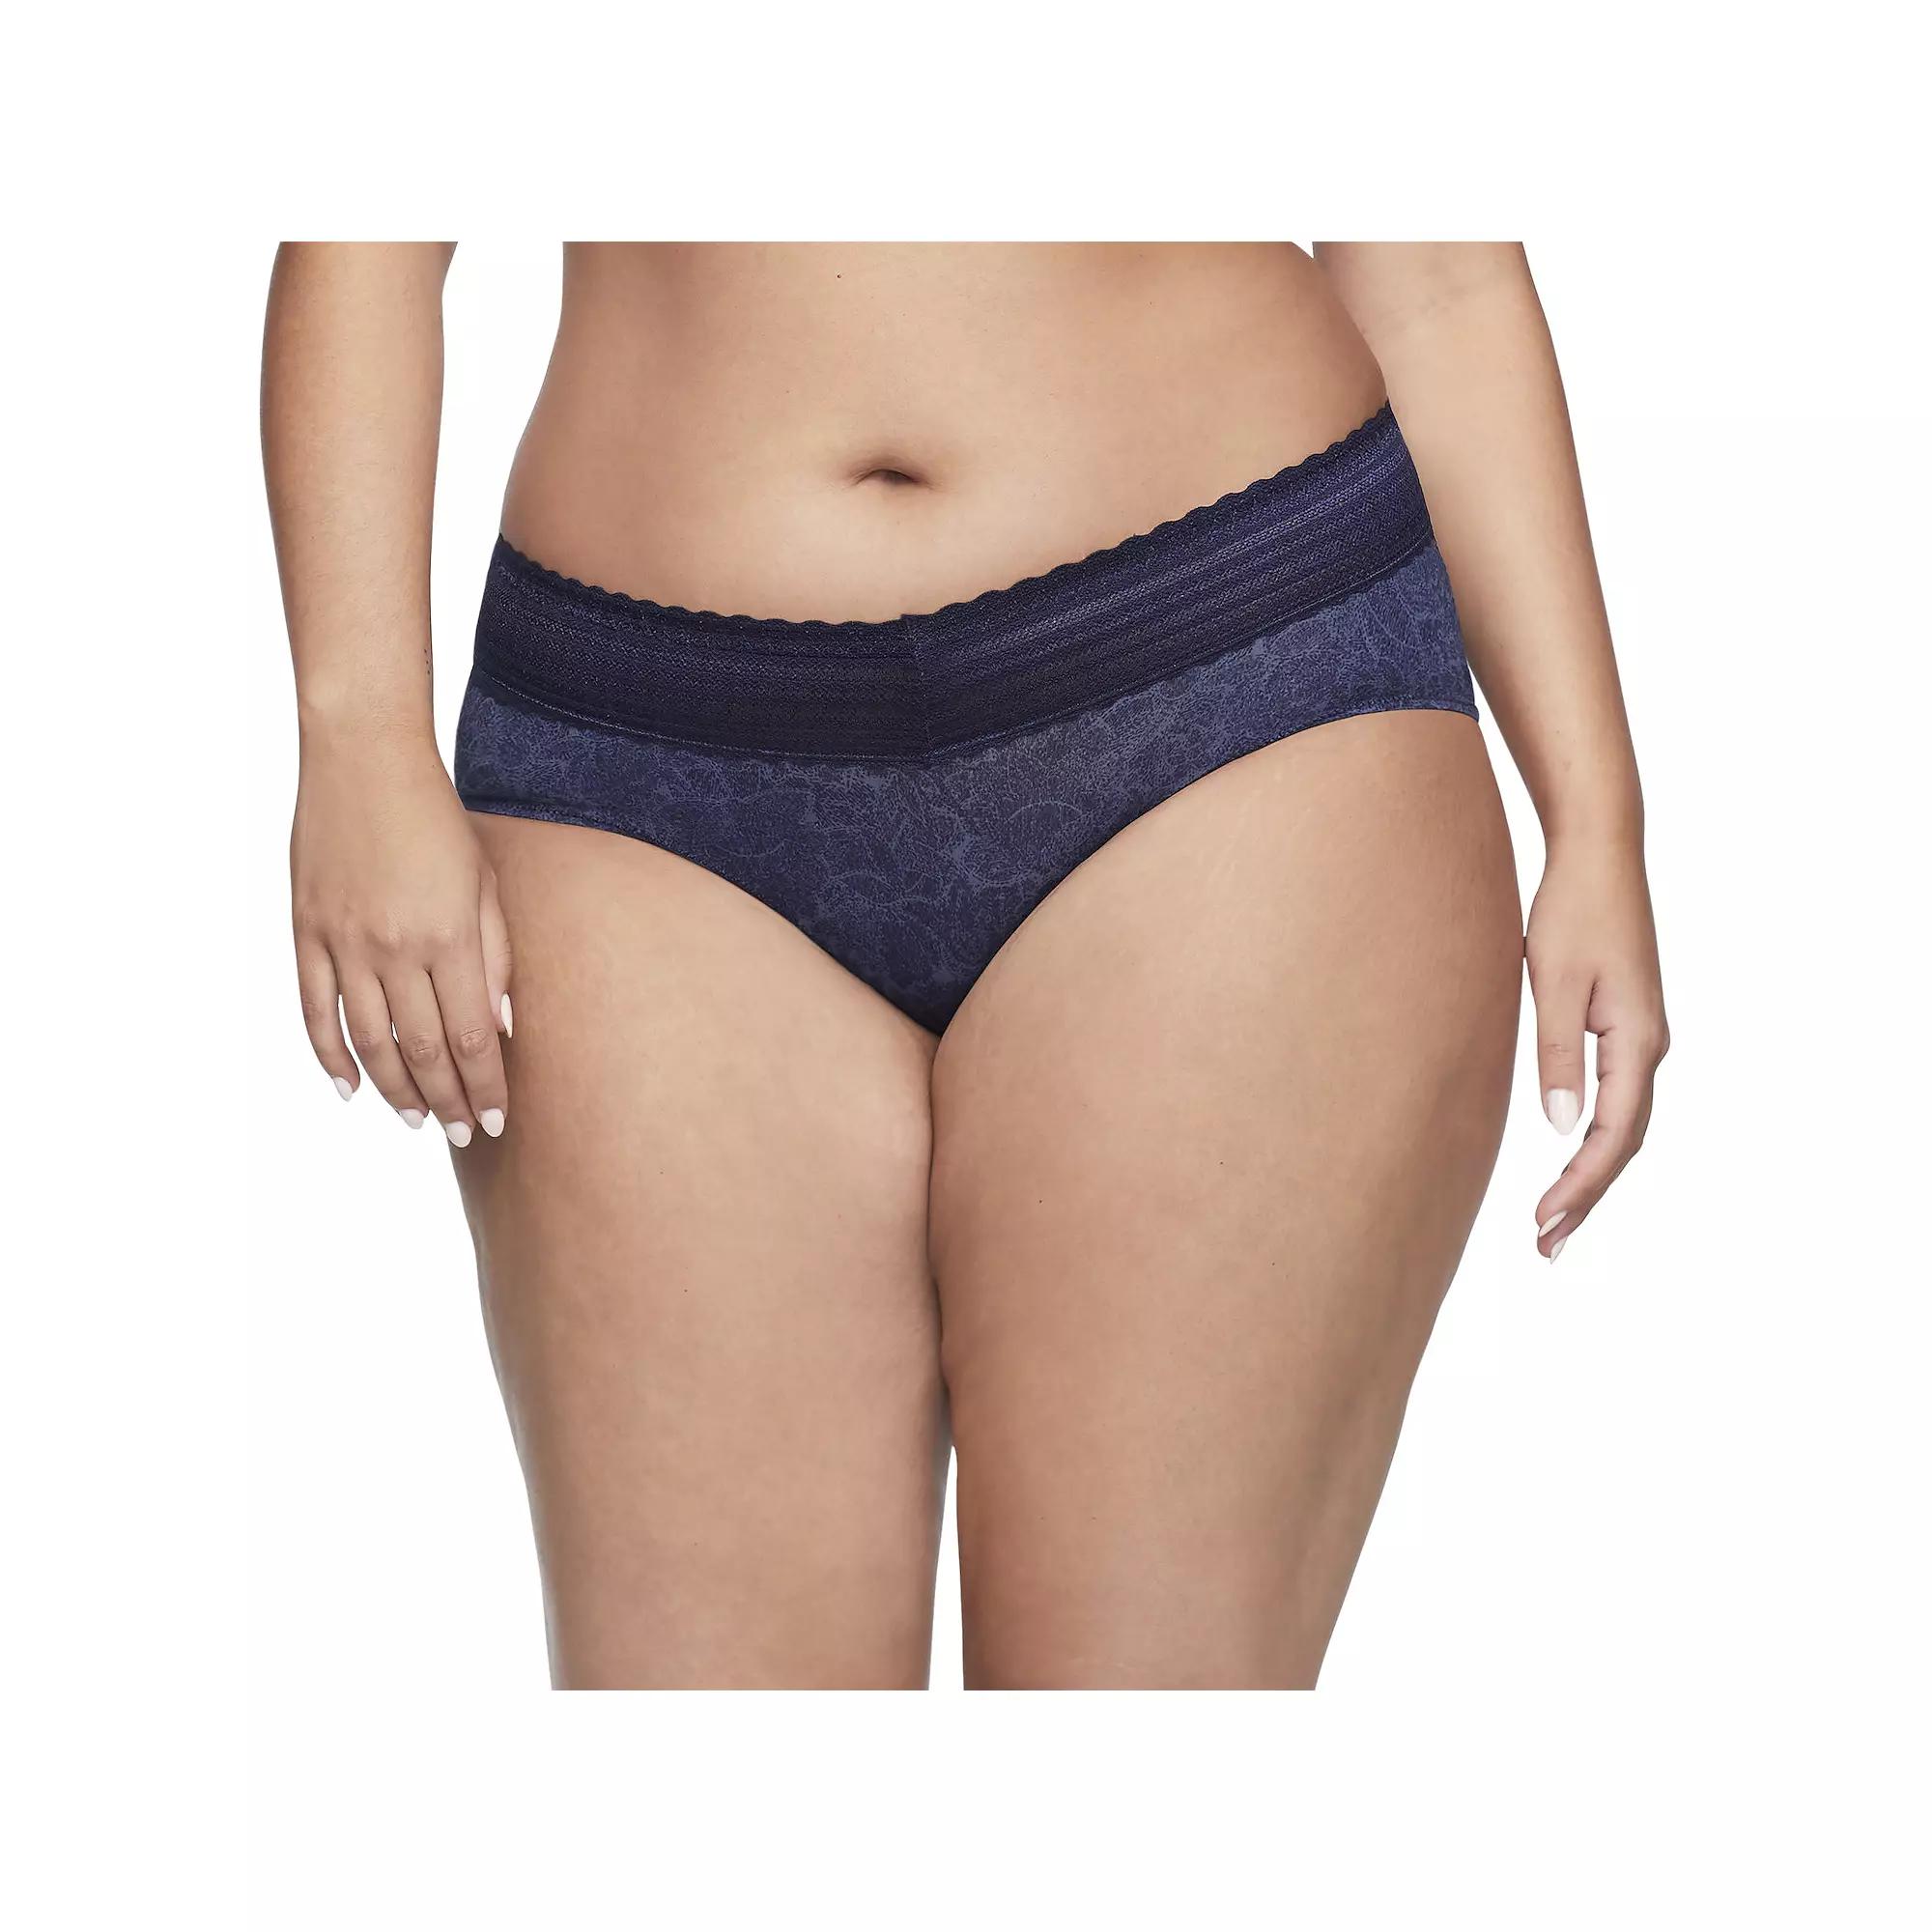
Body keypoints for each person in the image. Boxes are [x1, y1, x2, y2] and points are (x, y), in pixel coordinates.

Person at [263, 242, 1667, 1689]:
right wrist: (357, 735)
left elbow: (1433, 269)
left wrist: (1596, 815)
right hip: (640, 763)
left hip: (1224, 680)